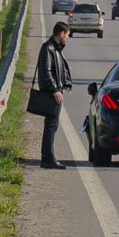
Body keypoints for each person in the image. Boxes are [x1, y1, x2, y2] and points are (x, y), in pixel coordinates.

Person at [36, 21, 72, 170]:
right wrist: (55, 89)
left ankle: (48, 158)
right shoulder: (48, 48)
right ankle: (48, 159)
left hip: (56, 93)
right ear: (61, 34)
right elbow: (45, 72)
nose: (68, 38)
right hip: (51, 94)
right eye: (67, 35)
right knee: (51, 125)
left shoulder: (56, 48)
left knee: (52, 125)